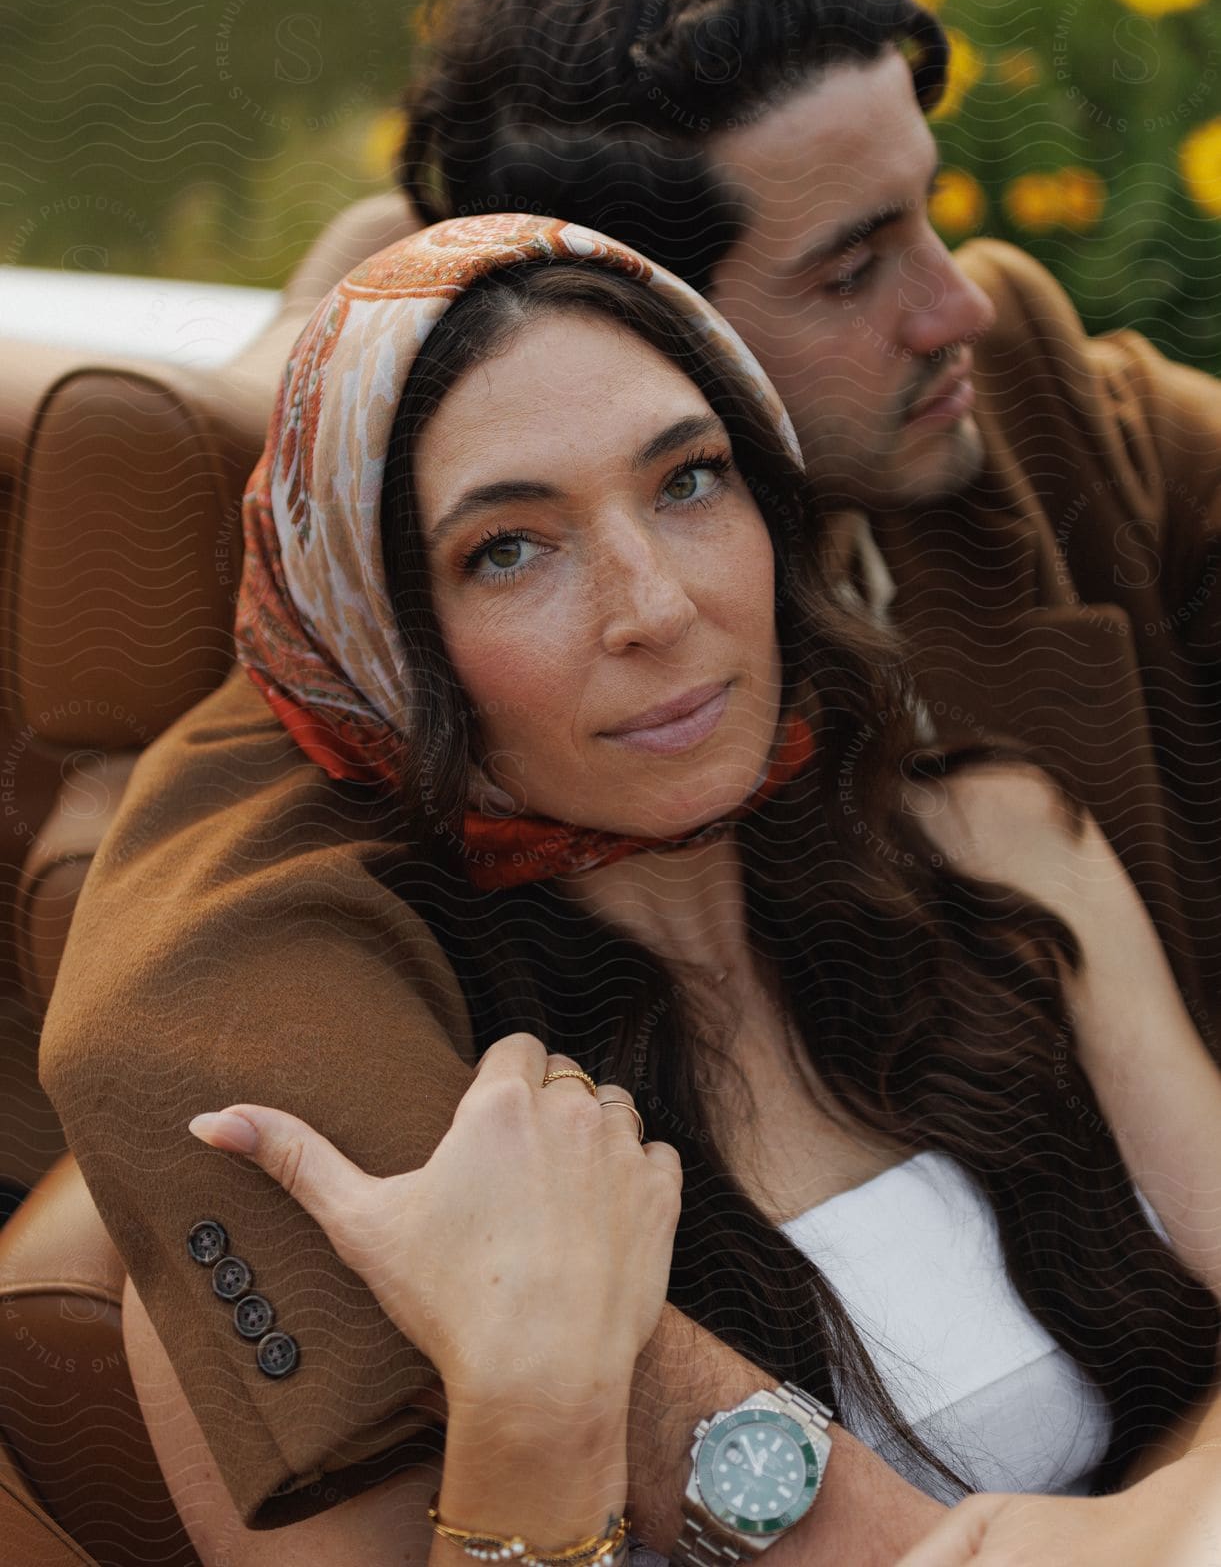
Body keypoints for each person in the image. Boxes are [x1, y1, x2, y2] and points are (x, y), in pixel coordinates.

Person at [51, 216, 1221, 1567]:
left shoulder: (994, 847)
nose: (651, 604)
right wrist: (533, 1421)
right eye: (509, 549)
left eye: (688, 481)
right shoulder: (360, 1140)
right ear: (381, 644)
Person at [262, 0, 1221, 1031]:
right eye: (853, 272)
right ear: (637, 326)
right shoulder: (395, 631)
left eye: (929, 214)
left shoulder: (1031, 396)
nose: (956, 304)